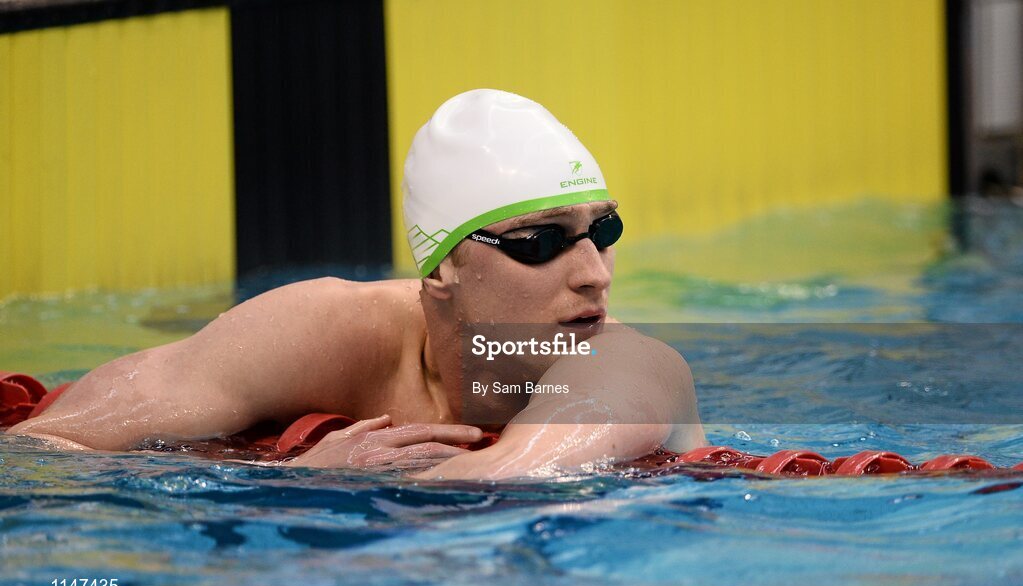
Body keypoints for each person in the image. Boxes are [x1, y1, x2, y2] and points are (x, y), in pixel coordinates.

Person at [7, 89, 705, 479]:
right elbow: (42, 446)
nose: (593, 273)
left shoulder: (631, 371)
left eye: (602, 231)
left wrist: (299, 478)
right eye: (540, 242)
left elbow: (508, 477)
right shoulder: (321, 332)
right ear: (442, 271)